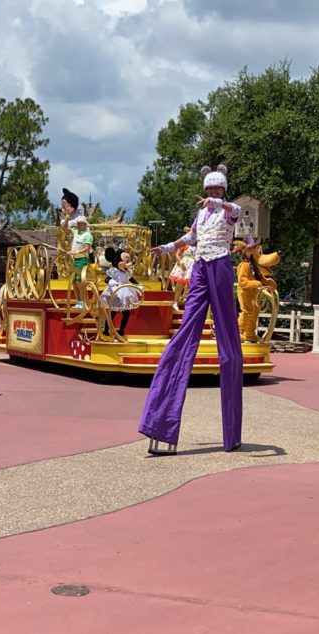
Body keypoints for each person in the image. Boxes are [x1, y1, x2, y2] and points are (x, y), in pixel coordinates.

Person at [140, 165, 244, 455]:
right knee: (187, 329)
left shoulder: (226, 210)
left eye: (217, 189)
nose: (212, 193)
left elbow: (237, 209)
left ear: (222, 189)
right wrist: (167, 246)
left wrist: (218, 203)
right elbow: (191, 238)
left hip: (221, 265)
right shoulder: (201, 214)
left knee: (227, 335)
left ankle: (231, 432)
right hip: (200, 266)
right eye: (209, 189)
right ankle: (162, 423)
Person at [59, 188, 93, 308]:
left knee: (79, 281)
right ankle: (79, 302)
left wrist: (76, 251)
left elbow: (87, 247)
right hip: (72, 256)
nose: (63, 207)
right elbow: (64, 227)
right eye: (63, 205)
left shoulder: (86, 233)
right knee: (74, 281)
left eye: (65, 204)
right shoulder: (74, 230)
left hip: (81, 257)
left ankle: (83, 302)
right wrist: (68, 216)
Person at [100, 247, 142, 337]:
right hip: (115, 292)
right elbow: (107, 279)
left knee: (127, 313)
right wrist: (112, 282)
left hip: (126, 292)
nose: (128, 264)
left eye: (128, 261)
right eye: (125, 261)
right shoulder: (114, 271)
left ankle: (121, 330)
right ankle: (106, 329)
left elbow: (131, 279)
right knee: (113, 312)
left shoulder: (127, 272)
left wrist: (139, 286)